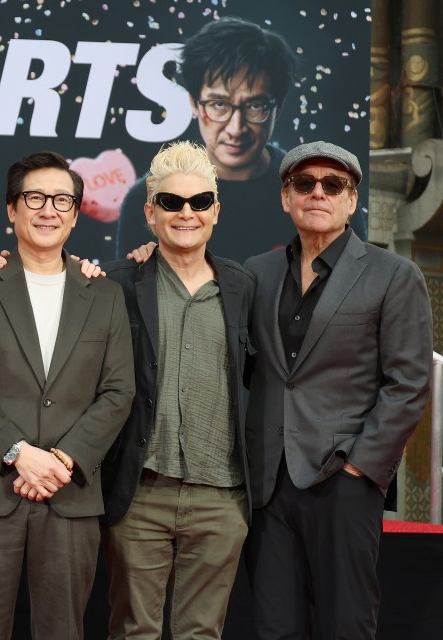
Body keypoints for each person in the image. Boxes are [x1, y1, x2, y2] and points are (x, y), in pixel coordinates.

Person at [0, 150, 136, 640]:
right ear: (12, 209)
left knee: (63, 631)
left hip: (70, 495)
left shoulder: (105, 293)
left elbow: (118, 391)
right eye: (35, 197)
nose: (49, 209)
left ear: (75, 213)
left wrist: (62, 460)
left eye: (62, 200)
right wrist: (19, 453)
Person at [244, 141, 432, 638]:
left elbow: (409, 381)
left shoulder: (394, 274)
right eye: (304, 184)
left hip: (342, 479)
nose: (318, 193)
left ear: (352, 200)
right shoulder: (254, 273)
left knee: (344, 623)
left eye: (334, 185)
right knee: (273, 626)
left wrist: (360, 467)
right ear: (286, 197)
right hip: (267, 482)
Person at [100, 141, 255, 639]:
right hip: (140, 490)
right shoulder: (117, 283)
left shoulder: (245, 287)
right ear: (149, 213)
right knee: (133, 632)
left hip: (221, 495)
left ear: (216, 211)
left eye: (199, 202)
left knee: (202, 634)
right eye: (170, 202)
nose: (186, 212)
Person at [117, 16, 314, 263]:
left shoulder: (312, 193)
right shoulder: (149, 196)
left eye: (255, 106)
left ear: (279, 106)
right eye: (219, 104)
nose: (236, 127)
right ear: (193, 102)